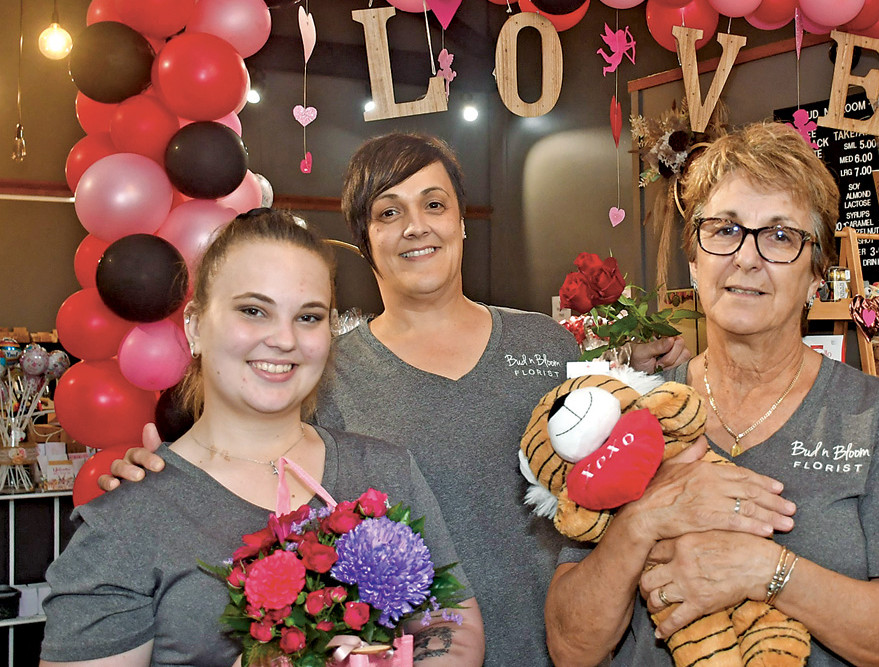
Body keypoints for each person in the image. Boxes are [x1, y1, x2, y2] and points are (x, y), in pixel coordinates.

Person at [99, 133, 691, 664]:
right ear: (365, 240)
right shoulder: (321, 375)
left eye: (434, 204)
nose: (416, 226)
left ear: (461, 223)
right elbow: (247, 473)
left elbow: (620, 465)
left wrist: (657, 373)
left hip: (578, 646)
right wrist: (157, 479)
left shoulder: (543, 341)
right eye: (389, 212)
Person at [545, 122, 879, 666]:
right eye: (725, 230)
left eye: (781, 235)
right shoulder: (629, 414)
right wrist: (643, 520)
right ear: (694, 258)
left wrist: (766, 572)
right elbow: (571, 647)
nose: (746, 257)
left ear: (816, 276)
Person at [41, 210, 484, 666]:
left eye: (309, 317)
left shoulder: (383, 471)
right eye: (254, 311)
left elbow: (453, 630)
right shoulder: (128, 520)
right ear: (195, 326)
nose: (284, 339)